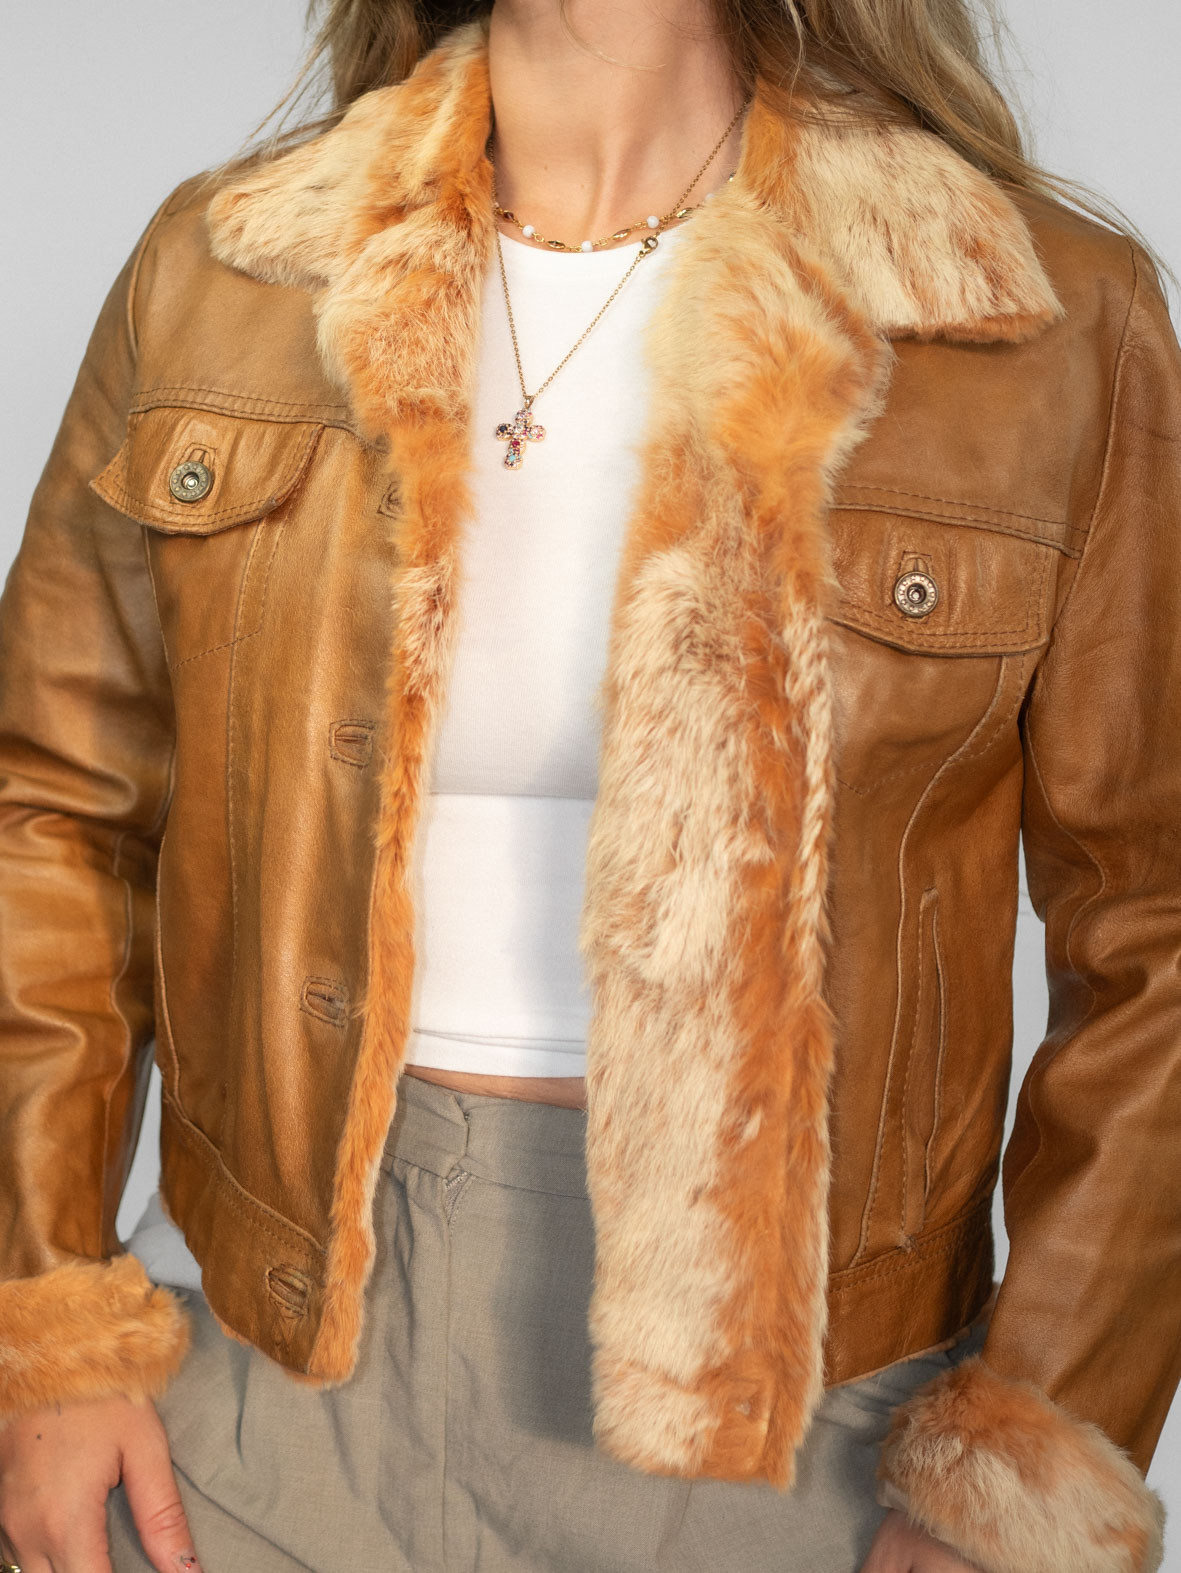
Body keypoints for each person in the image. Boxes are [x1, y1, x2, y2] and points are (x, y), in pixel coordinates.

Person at [0, 0, 1177, 1570]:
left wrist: (1030, 1454)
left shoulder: (1033, 316)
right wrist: (40, 1319)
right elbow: (51, 813)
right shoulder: (227, 270)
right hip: (262, 1365)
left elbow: (1152, 925)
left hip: (794, 1416)